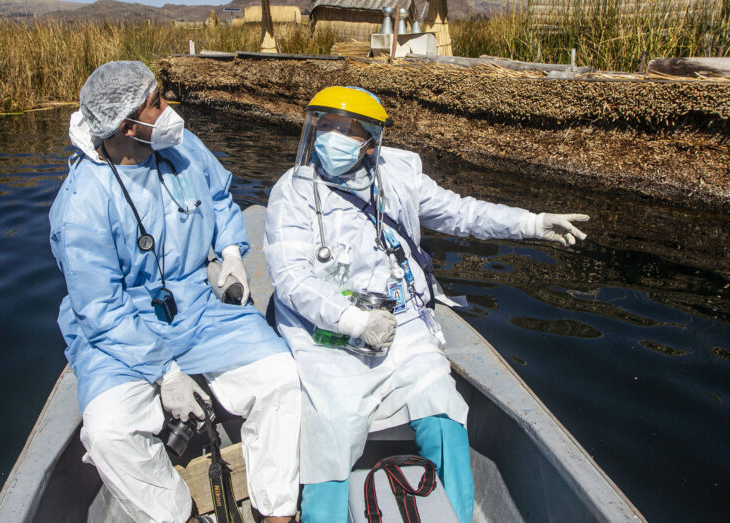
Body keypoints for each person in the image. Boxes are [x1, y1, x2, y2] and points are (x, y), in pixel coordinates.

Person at [263, 86, 589, 523]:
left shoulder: (399, 174)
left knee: (441, 404)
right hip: (329, 333)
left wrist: (531, 222)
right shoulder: (294, 191)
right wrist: (353, 321)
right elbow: (291, 279)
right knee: (332, 423)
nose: (331, 138)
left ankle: (456, 512)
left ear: (370, 140)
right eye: (325, 126)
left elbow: (462, 213)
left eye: (346, 129)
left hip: (403, 324)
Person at [49, 60, 300, 523]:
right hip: (124, 328)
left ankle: (278, 512)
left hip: (200, 307)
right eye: (157, 102)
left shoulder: (179, 146)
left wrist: (228, 253)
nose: (169, 110)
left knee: (281, 378)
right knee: (109, 433)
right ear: (127, 125)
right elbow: (100, 309)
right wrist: (164, 372)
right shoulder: (82, 204)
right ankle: (178, 516)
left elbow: (221, 195)